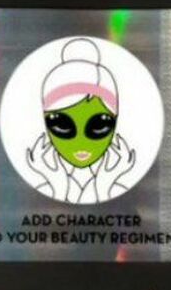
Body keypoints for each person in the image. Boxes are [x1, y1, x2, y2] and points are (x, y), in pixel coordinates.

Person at [27, 37, 136, 204]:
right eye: (62, 125)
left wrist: (104, 185)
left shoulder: (120, 190)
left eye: (99, 126)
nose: (81, 142)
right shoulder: (42, 190)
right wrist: (58, 185)